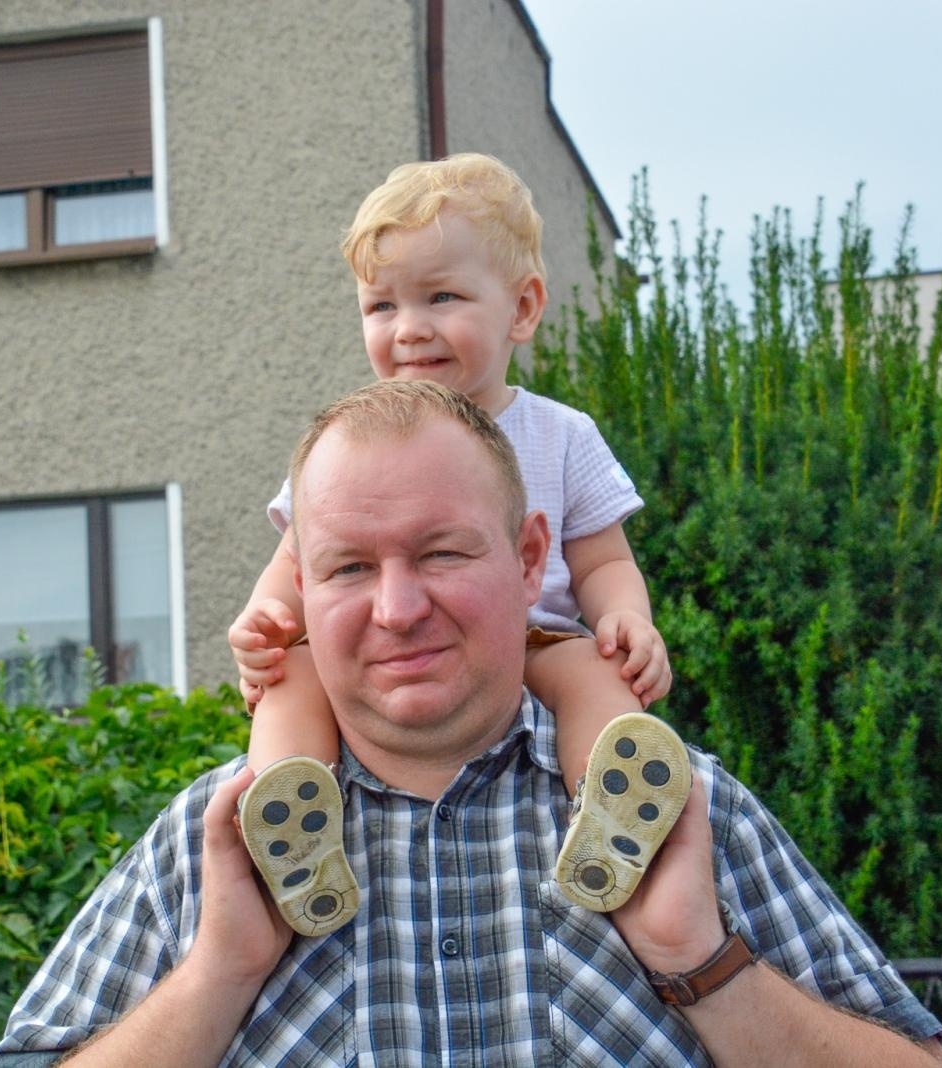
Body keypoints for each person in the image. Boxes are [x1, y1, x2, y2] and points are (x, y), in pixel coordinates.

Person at [0, 380, 942, 1066]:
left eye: (441, 553)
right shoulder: (216, 850)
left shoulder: (679, 814)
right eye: (350, 569)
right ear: (303, 590)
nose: (397, 609)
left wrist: (704, 963)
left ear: (532, 561)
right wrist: (216, 977)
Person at [231, 154, 684, 936]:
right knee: (292, 680)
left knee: (590, 675)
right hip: (375, 657)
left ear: (523, 307)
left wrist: (625, 620)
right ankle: (290, 821)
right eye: (381, 306)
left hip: (534, 639)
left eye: (441, 296)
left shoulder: (560, 434)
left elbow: (603, 557)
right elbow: (297, 562)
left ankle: (614, 819)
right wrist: (268, 619)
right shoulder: (354, 443)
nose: (408, 328)